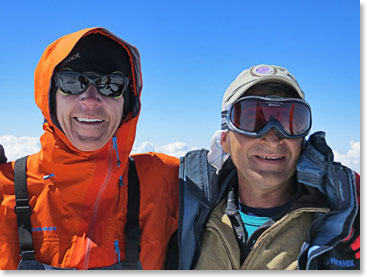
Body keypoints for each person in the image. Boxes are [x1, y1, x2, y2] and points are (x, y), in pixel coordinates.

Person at [0, 27, 179, 270]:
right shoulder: (5, 189)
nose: (91, 98)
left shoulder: (164, 181)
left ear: (127, 102)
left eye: (111, 84)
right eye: (72, 82)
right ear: (49, 96)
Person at [177, 64, 360, 270]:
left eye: (290, 121)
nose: (273, 139)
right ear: (225, 140)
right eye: (252, 120)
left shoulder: (348, 222)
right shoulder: (188, 212)